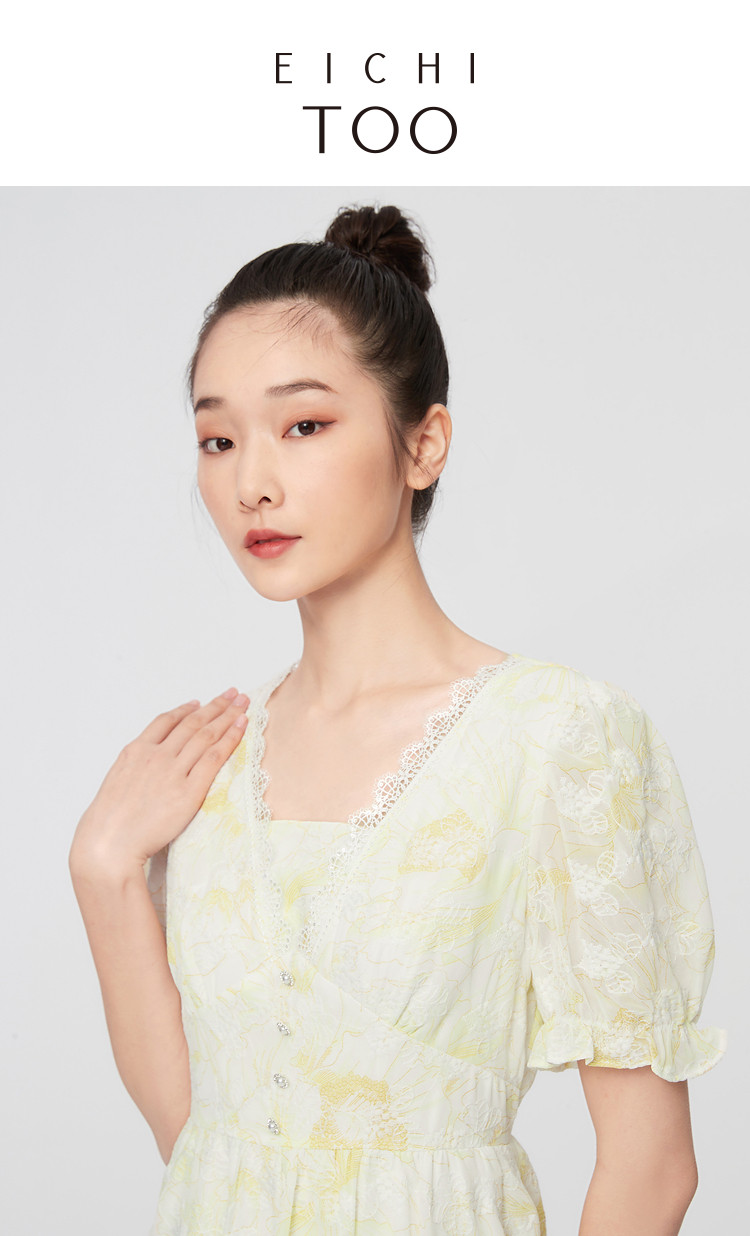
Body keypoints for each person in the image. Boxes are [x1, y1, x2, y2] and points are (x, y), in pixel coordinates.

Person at [69, 203, 727, 1235]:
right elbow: (207, 1148)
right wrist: (105, 873)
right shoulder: (214, 769)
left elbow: (652, 1172)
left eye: (305, 426)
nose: (251, 483)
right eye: (217, 438)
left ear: (424, 445)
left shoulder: (556, 738)